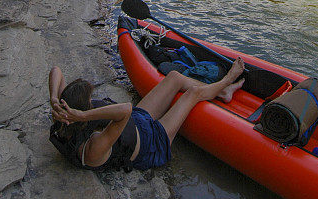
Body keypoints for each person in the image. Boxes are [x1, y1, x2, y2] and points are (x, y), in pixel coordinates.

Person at [49, 58, 245, 172]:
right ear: (80, 115)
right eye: (89, 103)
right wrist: (84, 116)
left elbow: (56, 70)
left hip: (137, 121)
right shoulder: (92, 150)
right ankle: (228, 83)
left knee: (174, 78)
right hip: (153, 142)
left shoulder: (63, 117)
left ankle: (218, 92)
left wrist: (54, 99)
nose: (93, 103)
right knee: (192, 94)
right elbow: (125, 110)